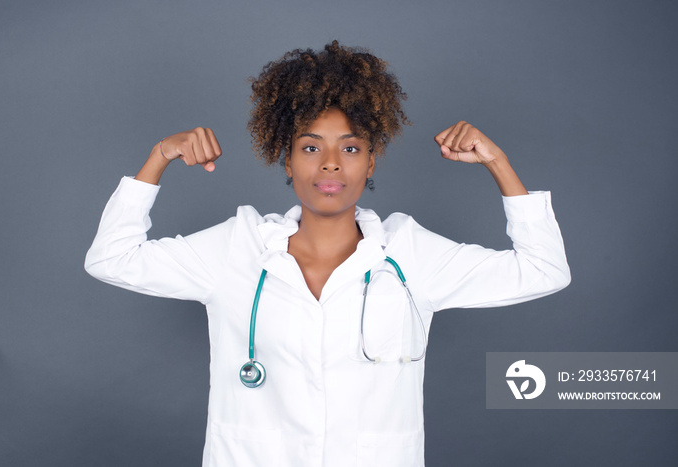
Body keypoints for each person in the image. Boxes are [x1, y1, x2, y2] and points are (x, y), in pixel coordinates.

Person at [85, 41, 570, 467]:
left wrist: (498, 164)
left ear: (371, 160)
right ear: (288, 160)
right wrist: (159, 157)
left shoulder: (408, 254)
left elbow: (543, 270)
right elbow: (110, 258)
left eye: (351, 148)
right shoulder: (239, 247)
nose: (331, 163)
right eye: (311, 147)